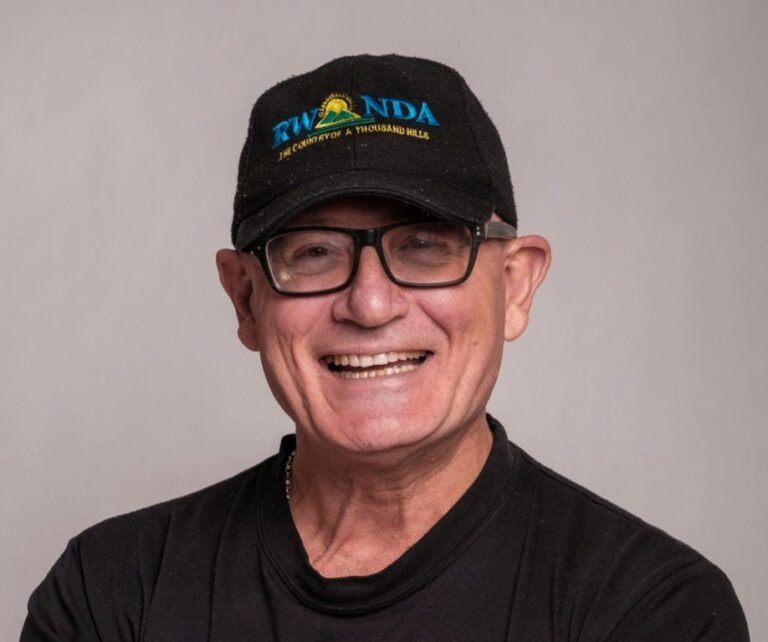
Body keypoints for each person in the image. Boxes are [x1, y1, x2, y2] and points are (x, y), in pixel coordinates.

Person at [22, 54, 749, 641]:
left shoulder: (650, 610)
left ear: (515, 286)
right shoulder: (113, 592)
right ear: (245, 299)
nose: (370, 305)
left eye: (425, 245)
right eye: (313, 252)